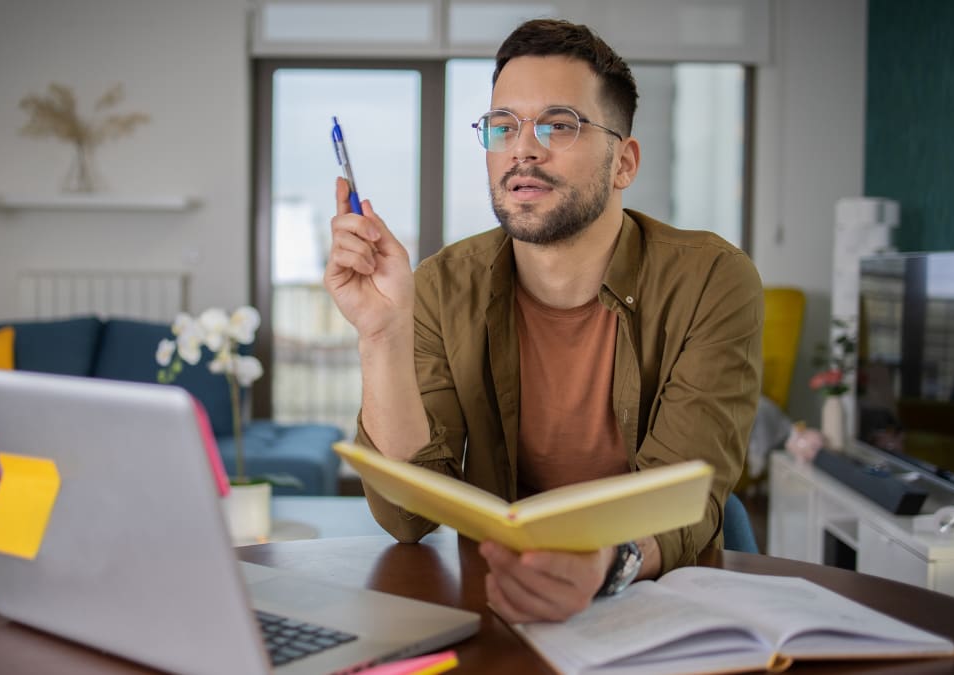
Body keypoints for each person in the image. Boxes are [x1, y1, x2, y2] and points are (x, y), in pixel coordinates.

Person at [323, 18, 762, 623]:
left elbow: (689, 495)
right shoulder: (441, 286)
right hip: (503, 597)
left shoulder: (712, 279)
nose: (523, 148)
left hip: (657, 599)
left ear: (624, 163)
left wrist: (603, 566)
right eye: (502, 127)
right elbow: (407, 515)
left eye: (559, 124)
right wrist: (381, 335)